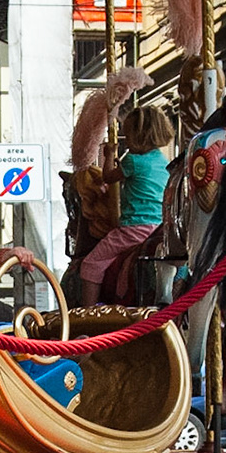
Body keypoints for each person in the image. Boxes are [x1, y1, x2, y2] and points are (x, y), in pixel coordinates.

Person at [78, 105, 175, 305]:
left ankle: (87, 313)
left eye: (128, 137)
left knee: (91, 264)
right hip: (158, 227)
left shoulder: (133, 160)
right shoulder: (162, 160)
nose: (126, 142)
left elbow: (108, 176)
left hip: (134, 228)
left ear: (140, 137)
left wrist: (109, 154)